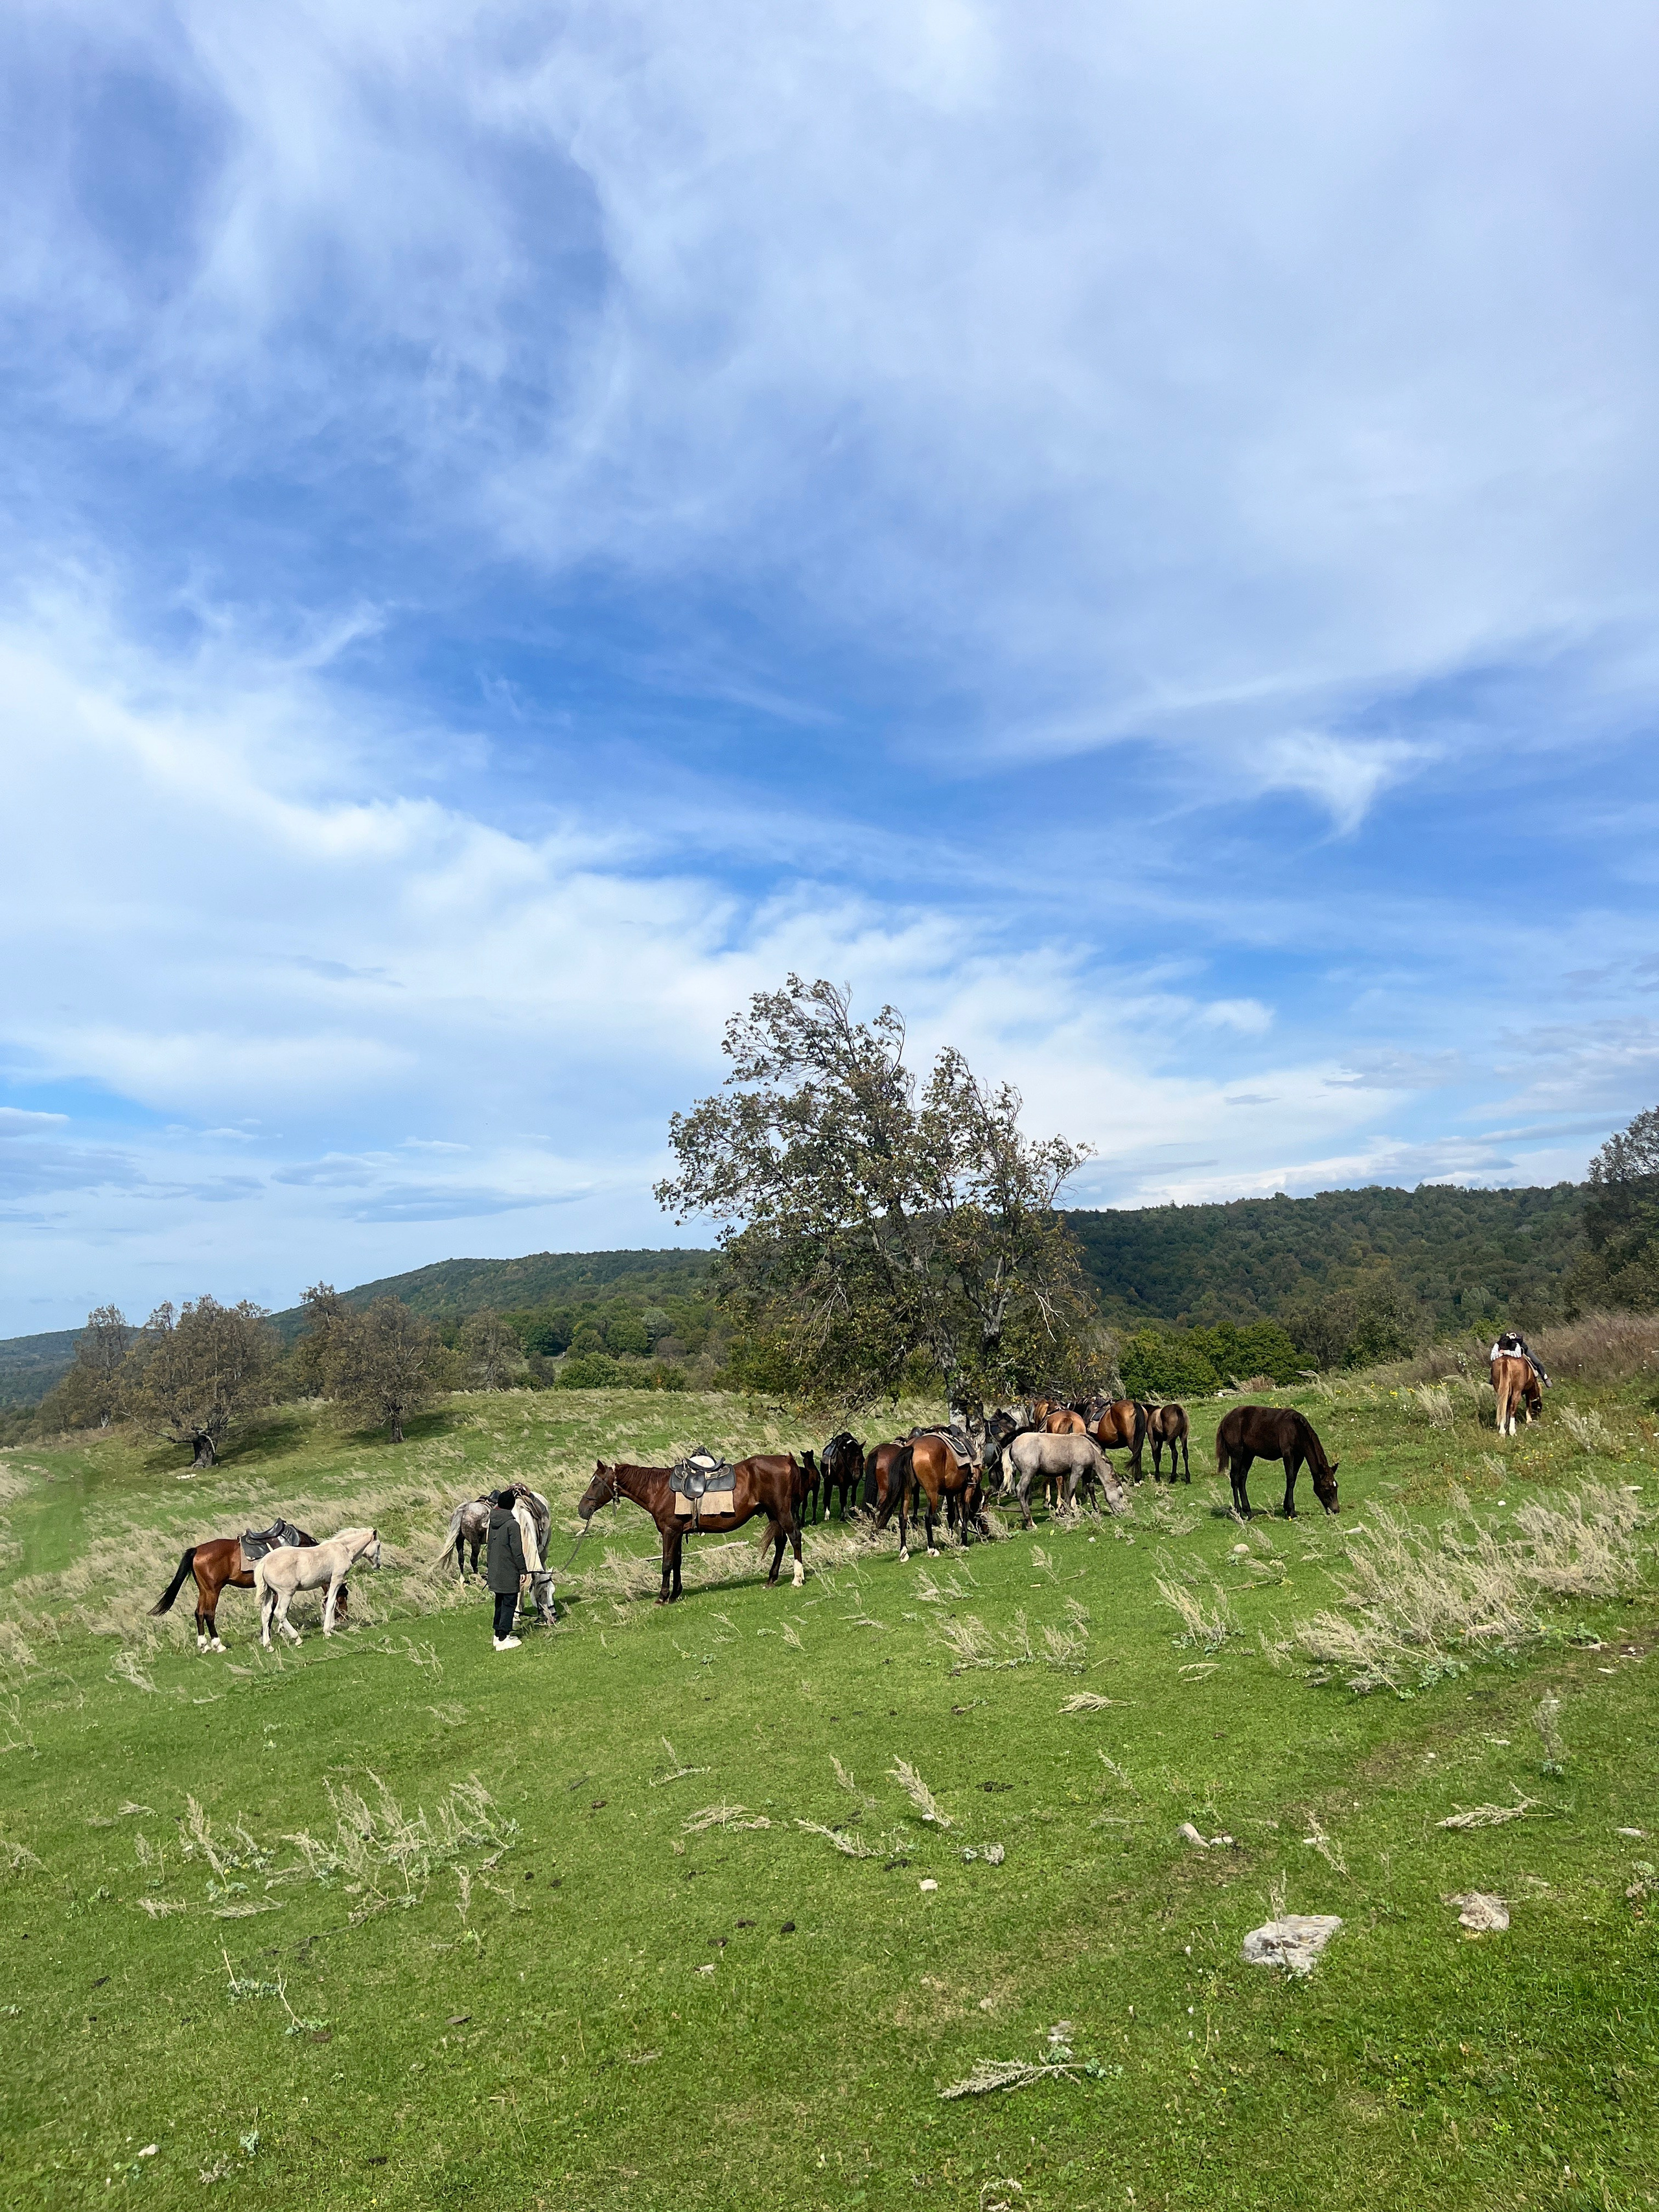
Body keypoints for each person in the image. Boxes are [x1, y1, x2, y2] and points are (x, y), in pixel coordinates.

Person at [485, 1487, 528, 1651]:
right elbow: (517, 1551)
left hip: (495, 1570)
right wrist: (523, 1571)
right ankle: (504, 1639)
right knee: (510, 1603)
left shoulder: (493, 1522)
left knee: (500, 1602)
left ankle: (497, 1635)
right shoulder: (512, 1524)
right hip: (509, 1570)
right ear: (511, 1506)